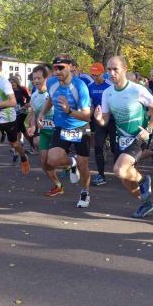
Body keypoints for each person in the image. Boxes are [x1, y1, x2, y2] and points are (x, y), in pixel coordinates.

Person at [95, 56, 153, 218]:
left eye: (115, 69)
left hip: (138, 136)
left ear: (125, 69)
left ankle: (144, 180)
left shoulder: (137, 89)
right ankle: (146, 204)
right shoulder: (107, 93)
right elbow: (105, 120)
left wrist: (149, 129)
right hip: (121, 138)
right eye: (109, 69)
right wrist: (99, 119)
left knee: (119, 169)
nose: (111, 73)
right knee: (124, 177)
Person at [37, 55, 93, 208]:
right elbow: (51, 99)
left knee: (83, 164)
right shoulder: (51, 82)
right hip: (61, 127)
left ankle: (85, 192)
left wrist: (69, 111)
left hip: (80, 127)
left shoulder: (80, 86)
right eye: (55, 68)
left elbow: (87, 115)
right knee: (52, 160)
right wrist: (42, 113)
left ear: (71, 67)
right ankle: (71, 163)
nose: (57, 71)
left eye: (61, 68)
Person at [0, 58, 30, 175]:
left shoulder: (4, 83)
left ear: (0, 69)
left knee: (14, 143)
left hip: (8, 117)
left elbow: (13, 102)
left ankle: (23, 157)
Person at [27, 65, 63, 195]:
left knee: (53, 160)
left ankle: (70, 165)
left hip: (57, 132)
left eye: (39, 78)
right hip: (44, 132)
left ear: (46, 78)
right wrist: (32, 126)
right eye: (34, 78)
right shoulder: (34, 96)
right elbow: (34, 114)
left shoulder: (53, 93)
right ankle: (58, 185)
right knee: (44, 162)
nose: (36, 81)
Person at [87, 62, 115, 186]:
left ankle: (123, 169)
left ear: (103, 73)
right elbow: (90, 104)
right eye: (93, 75)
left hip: (112, 120)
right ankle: (101, 174)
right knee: (98, 146)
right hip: (98, 120)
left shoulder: (110, 85)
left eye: (97, 75)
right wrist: (87, 117)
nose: (95, 77)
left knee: (115, 148)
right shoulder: (90, 86)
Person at [10, 75, 32, 153]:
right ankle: (32, 143)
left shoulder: (22, 89)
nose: (12, 84)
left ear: (17, 82)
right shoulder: (9, 91)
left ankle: (17, 146)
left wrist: (25, 105)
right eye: (11, 82)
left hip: (22, 111)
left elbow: (29, 98)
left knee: (17, 127)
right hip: (13, 111)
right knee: (22, 128)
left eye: (14, 82)